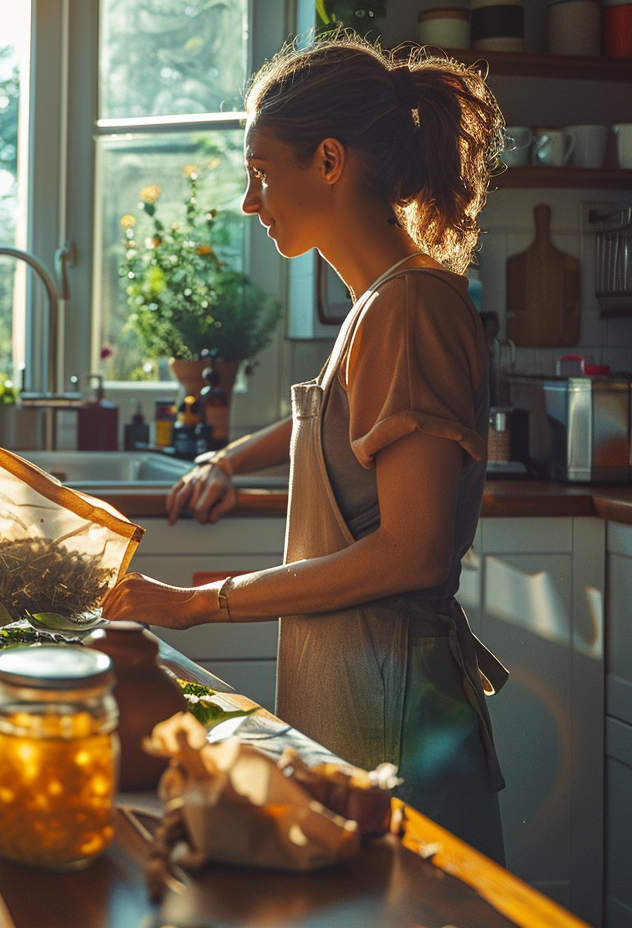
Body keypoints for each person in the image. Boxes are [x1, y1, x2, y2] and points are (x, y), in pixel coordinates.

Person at [102, 34, 509, 863]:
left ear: (328, 160)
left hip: (399, 716)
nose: (251, 202)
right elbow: (331, 420)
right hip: (363, 700)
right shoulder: (376, 306)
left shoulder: (409, 308)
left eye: (259, 170)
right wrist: (226, 459)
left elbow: (414, 552)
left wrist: (196, 603)